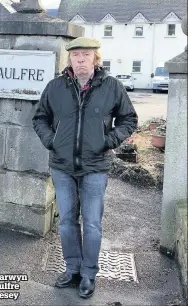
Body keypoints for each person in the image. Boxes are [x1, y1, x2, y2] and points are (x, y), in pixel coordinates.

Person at [32, 37, 137, 299]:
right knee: (67, 222)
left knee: (91, 224)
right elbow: (40, 118)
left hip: (95, 167)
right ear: (69, 59)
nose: (80, 59)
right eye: (76, 55)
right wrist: (50, 140)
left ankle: (89, 274)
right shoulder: (55, 87)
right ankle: (73, 269)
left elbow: (128, 119)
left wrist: (108, 140)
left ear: (95, 59)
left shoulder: (111, 87)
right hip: (62, 166)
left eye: (86, 55)